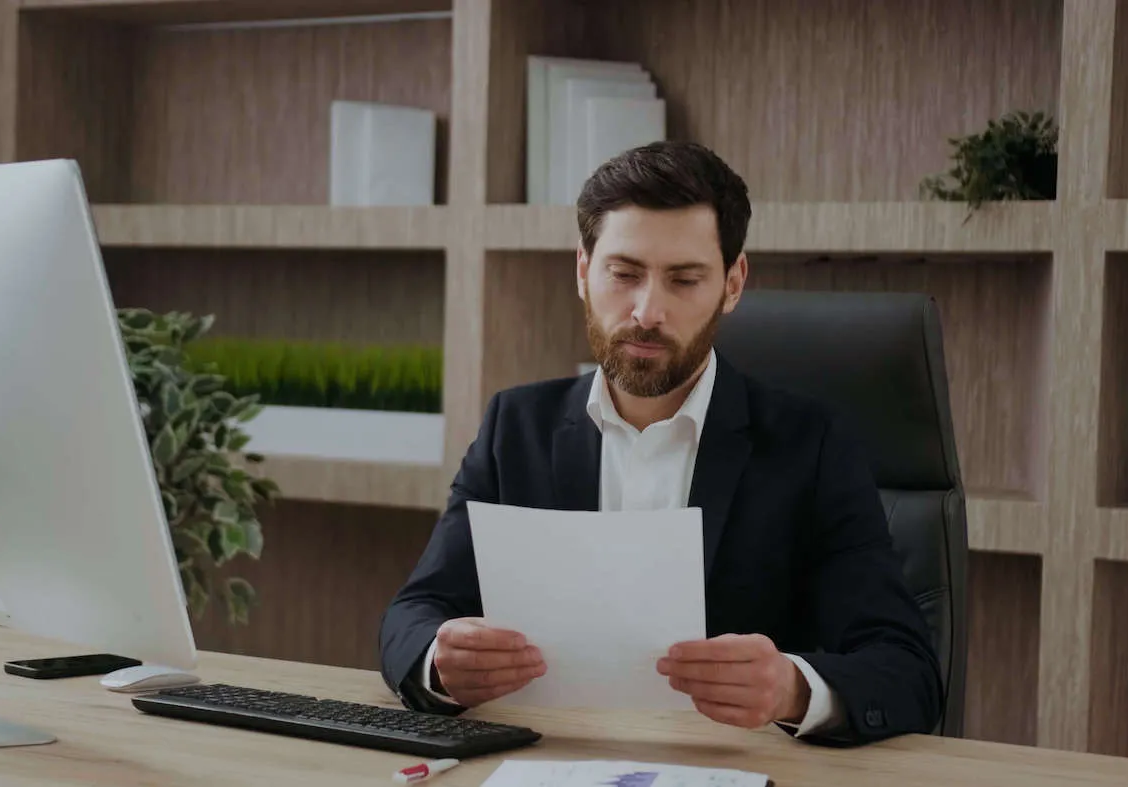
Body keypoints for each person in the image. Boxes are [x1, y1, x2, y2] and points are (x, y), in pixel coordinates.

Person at [377, 140, 942, 746]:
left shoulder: (812, 445)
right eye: (623, 274)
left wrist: (792, 687)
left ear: (732, 282)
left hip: (734, 773)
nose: (647, 311)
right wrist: (439, 661)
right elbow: (412, 616)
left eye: (684, 280)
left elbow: (908, 671)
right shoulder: (515, 428)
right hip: (546, 764)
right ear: (582, 271)